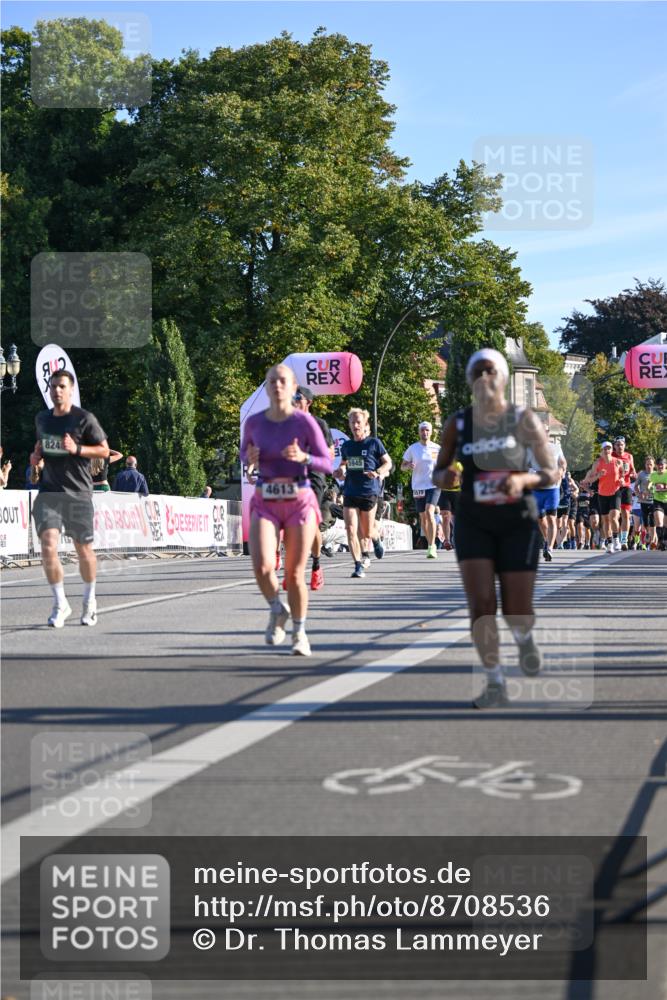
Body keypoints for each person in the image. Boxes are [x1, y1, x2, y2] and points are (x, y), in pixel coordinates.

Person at [433, 348, 557, 709]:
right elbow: (438, 471)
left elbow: (551, 473)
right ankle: (494, 681)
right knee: (481, 604)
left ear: (502, 378)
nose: (484, 378)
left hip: (517, 520)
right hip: (475, 520)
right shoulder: (457, 424)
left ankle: (524, 638)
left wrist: (523, 480)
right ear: (471, 381)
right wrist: (448, 475)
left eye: (491, 371)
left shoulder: (522, 419)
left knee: (516, 608)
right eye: (478, 373)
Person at [241, 363, 333, 656]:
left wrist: (304, 457)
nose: (277, 385)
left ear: (294, 388)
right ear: (267, 388)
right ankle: (276, 608)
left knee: (293, 574)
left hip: (299, 499)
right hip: (266, 498)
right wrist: (250, 458)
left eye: (283, 381)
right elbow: (245, 454)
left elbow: (327, 463)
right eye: (272, 381)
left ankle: (300, 632)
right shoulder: (254, 423)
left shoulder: (306, 424)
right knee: (263, 566)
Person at [30, 370, 110, 627]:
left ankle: (89, 601)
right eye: (53, 386)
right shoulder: (42, 419)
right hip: (49, 493)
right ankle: (60, 602)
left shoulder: (84, 419)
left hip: (78, 493)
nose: (57, 391)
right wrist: (36, 459)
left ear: (71, 389)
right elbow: (41, 447)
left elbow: (104, 450)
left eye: (61, 386)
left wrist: (78, 449)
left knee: (83, 549)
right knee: (48, 545)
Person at [335, 408, 392, 579]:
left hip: (369, 491)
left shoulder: (374, 443)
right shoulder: (347, 446)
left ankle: (375, 540)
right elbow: (344, 464)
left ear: (365, 424)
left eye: (358, 422)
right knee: (351, 529)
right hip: (350, 491)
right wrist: (340, 471)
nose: (355, 425)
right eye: (352, 422)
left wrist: (378, 471)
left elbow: (388, 463)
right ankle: (358, 565)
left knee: (366, 532)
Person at [292, 385, 335, 590]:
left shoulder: (319, 424)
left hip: (314, 477)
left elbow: (330, 454)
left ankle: (316, 565)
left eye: (298, 398)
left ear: (308, 402)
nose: (294, 401)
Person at [401, 421, 441, 559]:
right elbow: (402, 466)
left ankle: (432, 546)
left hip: (433, 485)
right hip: (418, 486)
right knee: (423, 518)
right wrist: (408, 466)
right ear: (419, 432)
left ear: (431, 432)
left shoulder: (437, 448)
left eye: (427, 430)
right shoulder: (413, 448)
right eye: (423, 430)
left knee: (430, 513)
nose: (425, 433)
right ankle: (430, 542)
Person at [582, 443, 624, 552]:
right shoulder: (597, 463)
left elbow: (623, 474)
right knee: (606, 520)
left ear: (611, 450)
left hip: (615, 492)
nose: (607, 450)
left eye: (609, 448)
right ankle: (609, 543)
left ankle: (616, 540)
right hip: (602, 494)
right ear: (602, 450)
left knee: (614, 517)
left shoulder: (617, 461)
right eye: (605, 448)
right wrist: (598, 476)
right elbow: (589, 480)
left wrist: (622, 480)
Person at [531, 436, 567, 562]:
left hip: (552, 488)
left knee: (552, 518)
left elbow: (563, 462)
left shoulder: (556, 447)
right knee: (540, 519)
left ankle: (550, 548)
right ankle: (547, 540)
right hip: (536, 489)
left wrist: (562, 470)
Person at [611, 435, 636, 550]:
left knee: (626, 514)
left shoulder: (629, 456)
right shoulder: (611, 456)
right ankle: (615, 538)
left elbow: (633, 473)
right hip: (614, 488)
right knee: (615, 515)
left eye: (622, 444)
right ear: (614, 446)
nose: (620, 447)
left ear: (625, 445)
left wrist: (629, 476)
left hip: (626, 488)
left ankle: (624, 540)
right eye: (617, 445)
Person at [438, 460, 462, 550]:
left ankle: (457, 539)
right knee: (445, 516)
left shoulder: (458, 464)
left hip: (457, 493)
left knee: (456, 519)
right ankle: (447, 541)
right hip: (444, 492)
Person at [635, 456, 657, 549]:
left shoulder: (656, 474)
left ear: (654, 465)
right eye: (647, 464)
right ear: (645, 465)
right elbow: (636, 486)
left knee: (653, 521)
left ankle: (653, 541)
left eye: (651, 464)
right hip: (644, 501)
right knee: (645, 521)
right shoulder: (641, 474)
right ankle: (648, 533)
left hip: (654, 501)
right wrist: (639, 494)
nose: (649, 466)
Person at [648, 456, 667, 550]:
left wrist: (663, 487)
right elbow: (649, 484)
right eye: (659, 465)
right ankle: (661, 541)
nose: (660, 467)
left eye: (662, 465)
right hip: (657, 500)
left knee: (666, 524)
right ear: (656, 466)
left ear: (666, 465)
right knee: (659, 521)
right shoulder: (653, 475)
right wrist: (650, 488)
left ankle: (665, 540)